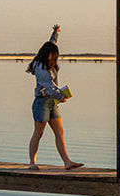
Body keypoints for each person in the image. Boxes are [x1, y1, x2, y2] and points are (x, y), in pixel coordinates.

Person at [26, 24, 83, 171]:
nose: (56, 59)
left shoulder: (47, 59)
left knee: (60, 132)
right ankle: (32, 162)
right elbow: (50, 87)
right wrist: (61, 96)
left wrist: (55, 32)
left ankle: (67, 162)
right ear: (49, 56)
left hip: (52, 102)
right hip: (42, 103)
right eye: (55, 56)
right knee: (38, 132)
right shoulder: (40, 68)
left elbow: (52, 42)